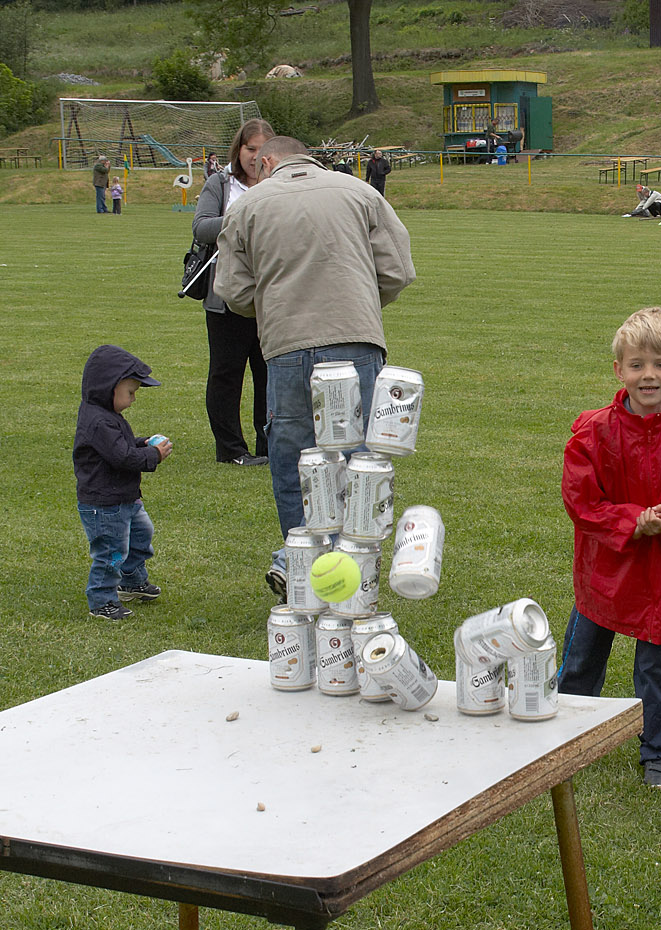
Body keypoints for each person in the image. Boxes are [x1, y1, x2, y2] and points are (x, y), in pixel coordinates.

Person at [214, 136, 416, 598]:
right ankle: (355, 573)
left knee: (294, 461)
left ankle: (301, 561)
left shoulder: (247, 206)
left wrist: (273, 307)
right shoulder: (360, 192)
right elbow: (397, 270)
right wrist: (360, 302)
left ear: (268, 161)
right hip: (357, 338)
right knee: (359, 462)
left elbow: (233, 289)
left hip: (286, 346)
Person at [558, 308, 661, 790]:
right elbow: (581, 501)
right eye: (637, 365)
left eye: (660, 364)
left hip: (658, 573)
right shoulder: (593, 432)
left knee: (656, 667)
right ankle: (562, 739)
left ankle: (660, 749)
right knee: (581, 660)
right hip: (603, 569)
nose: (648, 375)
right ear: (619, 370)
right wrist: (631, 521)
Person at [192, 117, 275, 468]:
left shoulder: (282, 183)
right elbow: (201, 227)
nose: (255, 157)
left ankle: (270, 445)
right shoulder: (220, 183)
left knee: (271, 374)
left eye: (262, 150)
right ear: (238, 149)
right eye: (249, 148)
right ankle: (231, 450)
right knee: (226, 374)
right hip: (226, 296)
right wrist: (242, 217)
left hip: (271, 294)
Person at [74, 345, 172, 622]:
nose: (133, 399)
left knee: (141, 536)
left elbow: (122, 446)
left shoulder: (108, 416)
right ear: (110, 387)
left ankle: (132, 582)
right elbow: (122, 457)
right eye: (130, 392)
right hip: (105, 504)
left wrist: (143, 443)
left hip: (124, 498)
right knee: (111, 552)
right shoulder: (98, 421)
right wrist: (153, 455)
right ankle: (102, 600)